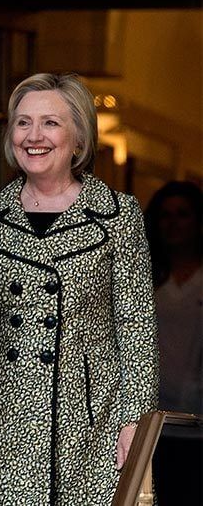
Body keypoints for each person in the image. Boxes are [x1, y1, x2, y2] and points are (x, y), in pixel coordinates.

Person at [0, 73, 158, 505]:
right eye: (22, 123)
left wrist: (135, 421)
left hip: (89, 420)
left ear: (79, 137)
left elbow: (135, 329)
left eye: (50, 123)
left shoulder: (117, 214)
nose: (33, 136)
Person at [144, 181, 202, 505]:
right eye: (166, 215)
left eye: (183, 214)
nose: (174, 223)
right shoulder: (145, 275)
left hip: (198, 421)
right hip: (151, 425)